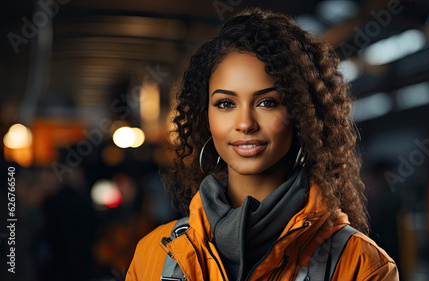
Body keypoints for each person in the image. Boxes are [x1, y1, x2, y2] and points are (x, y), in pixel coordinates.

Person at [126, 8, 398, 281]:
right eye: (225, 104)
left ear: (301, 113)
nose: (245, 123)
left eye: (267, 102)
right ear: (204, 116)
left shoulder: (362, 266)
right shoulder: (152, 257)